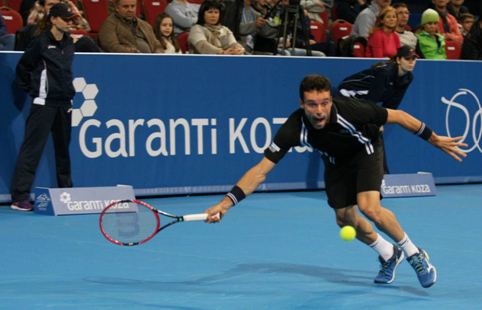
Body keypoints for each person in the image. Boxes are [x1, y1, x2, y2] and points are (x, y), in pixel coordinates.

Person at [204, 74, 467, 289]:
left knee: (369, 207)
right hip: (334, 163)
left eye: (324, 103)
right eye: (312, 104)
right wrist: (227, 203)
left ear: (331, 100)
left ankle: (414, 254)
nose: (319, 111)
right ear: (301, 104)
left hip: (366, 151)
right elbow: (261, 170)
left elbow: (399, 116)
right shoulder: (294, 128)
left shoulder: (353, 110)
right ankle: (389, 254)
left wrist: (435, 139)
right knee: (344, 220)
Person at [11, 3, 76, 211]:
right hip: (44, 103)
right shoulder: (40, 43)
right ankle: (19, 197)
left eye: (71, 19)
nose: (69, 22)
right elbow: (23, 68)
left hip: (64, 103)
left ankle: (67, 192)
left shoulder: (69, 43)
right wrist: (35, 91)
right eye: (66, 19)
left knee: (63, 151)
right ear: (53, 19)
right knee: (32, 150)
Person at [337, 45, 418, 173]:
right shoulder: (385, 72)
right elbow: (371, 100)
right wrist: (376, 120)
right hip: (348, 93)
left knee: (374, 128)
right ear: (398, 60)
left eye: (413, 59)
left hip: (364, 100)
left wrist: (380, 120)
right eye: (407, 59)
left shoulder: (408, 78)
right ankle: (380, 173)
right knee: (369, 127)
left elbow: (392, 105)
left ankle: (382, 174)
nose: (411, 62)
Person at [15, 0, 102, 52]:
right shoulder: (31, 31)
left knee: (85, 41)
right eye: (50, 4)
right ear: (42, 7)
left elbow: (85, 27)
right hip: (46, 61)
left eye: (57, 4)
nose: (54, 8)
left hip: (63, 55)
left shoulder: (65, 31)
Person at [98, 0, 163, 53]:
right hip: (127, 62)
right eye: (126, 7)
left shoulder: (145, 25)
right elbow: (111, 47)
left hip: (151, 62)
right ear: (117, 8)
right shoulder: (109, 24)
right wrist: (134, 52)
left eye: (133, 6)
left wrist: (157, 56)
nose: (130, 10)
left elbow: (157, 45)